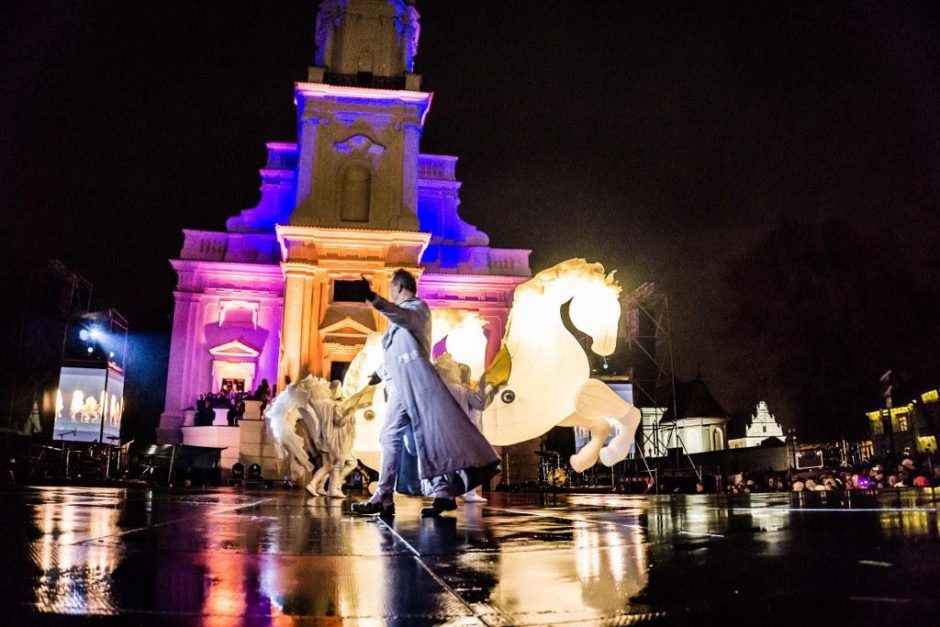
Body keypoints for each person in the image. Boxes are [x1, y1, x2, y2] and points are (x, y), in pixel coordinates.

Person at [350, 269, 500, 518]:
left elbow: (402, 319)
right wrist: (380, 371)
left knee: (411, 437)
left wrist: (373, 299)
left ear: (398, 287)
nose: (390, 292)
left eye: (391, 287)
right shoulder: (402, 319)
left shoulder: (417, 309)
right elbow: (399, 352)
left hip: (416, 384)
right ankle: (438, 494)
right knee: (423, 439)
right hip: (402, 384)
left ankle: (385, 497)